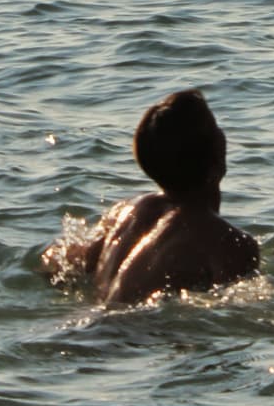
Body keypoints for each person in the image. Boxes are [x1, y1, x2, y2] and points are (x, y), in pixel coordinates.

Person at [42, 90, 259, 307]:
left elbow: (56, 264)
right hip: (134, 332)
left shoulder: (126, 212)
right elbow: (243, 309)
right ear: (218, 150)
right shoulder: (227, 241)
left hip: (87, 326)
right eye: (217, 129)